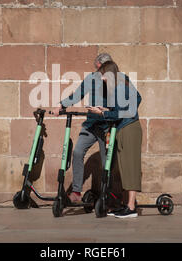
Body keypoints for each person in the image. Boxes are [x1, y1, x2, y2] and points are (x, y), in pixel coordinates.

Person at [52, 53, 113, 203]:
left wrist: (108, 110)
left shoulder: (116, 80)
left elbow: (120, 101)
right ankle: (76, 192)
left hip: (107, 126)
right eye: (99, 67)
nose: (100, 71)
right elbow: (77, 94)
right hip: (91, 125)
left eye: (103, 68)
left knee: (107, 161)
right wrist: (61, 105)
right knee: (78, 152)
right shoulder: (91, 78)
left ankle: (107, 195)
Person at [87, 61, 142, 218]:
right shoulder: (120, 84)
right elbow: (135, 100)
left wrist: (102, 114)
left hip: (129, 129)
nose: (102, 78)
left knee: (131, 167)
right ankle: (127, 205)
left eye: (103, 75)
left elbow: (123, 111)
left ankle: (131, 207)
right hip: (125, 128)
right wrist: (109, 110)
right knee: (125, 168)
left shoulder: (119, 86)